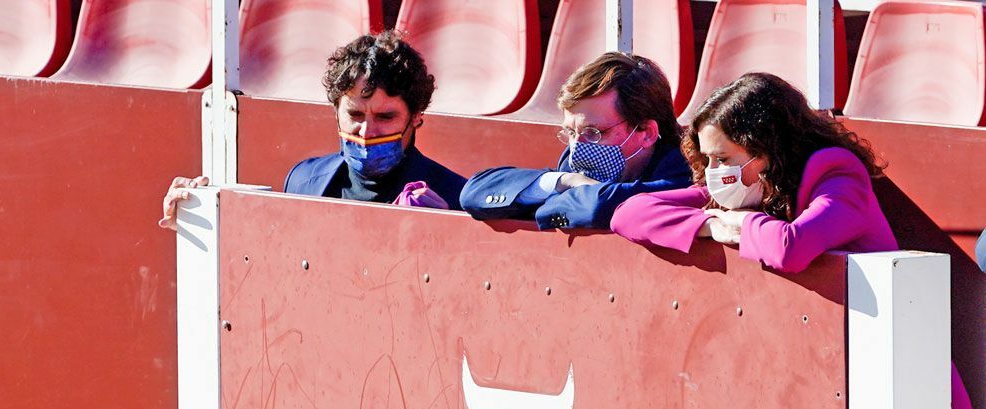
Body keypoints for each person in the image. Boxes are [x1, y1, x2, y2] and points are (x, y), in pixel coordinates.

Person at [610, 72, 986, 409]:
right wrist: (712, 224)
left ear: (765, 151)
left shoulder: (836, 175)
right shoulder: (747, 187)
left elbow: (793, 246)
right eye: (708, 160)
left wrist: (743, 225)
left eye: (722, 158)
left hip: (896, 386)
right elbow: (630, 214)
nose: (713, 174)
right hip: (828, 388)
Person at [160, 31, 466, 230]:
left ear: (416, 118)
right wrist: (195, 218)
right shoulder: (304, 180)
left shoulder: (453, 198)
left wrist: (448, 235)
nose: (366, 130)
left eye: (386, 117)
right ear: (335, 113)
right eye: (354, 113)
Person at [459, 52, 692, 230]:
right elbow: (473, 192)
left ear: (647, 133)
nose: (577, 147)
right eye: (570, 132)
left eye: (594, 132)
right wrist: (565, 181)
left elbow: (595, 206)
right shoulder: (571, 169)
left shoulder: (687, 172)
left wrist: (549, 202)